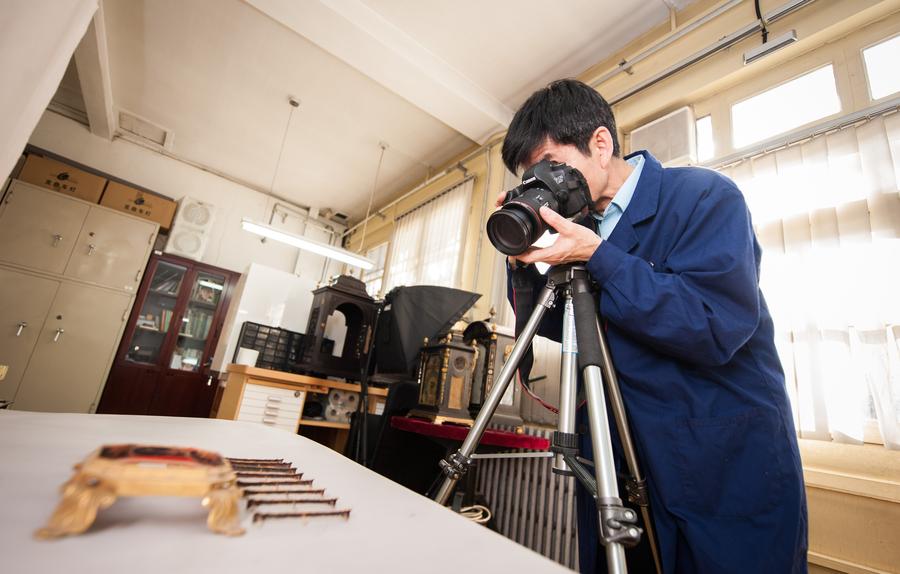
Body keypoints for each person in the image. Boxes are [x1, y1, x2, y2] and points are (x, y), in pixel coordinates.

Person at [499, 79, 807, 574]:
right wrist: (522, 265)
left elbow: (714, 324)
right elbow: (568, 327)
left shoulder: (704, 197)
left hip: (719, 459)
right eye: (532, 178)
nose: (546, 187)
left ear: (601, 144)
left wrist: (600, 257)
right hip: (620, 456)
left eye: (551, 167)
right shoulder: (586, 230)